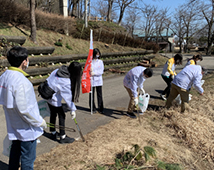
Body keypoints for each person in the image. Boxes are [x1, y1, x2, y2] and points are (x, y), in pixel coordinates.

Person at [0, 46, 47, 170]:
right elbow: (25, 110)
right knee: (27, 159)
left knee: (15, 154)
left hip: (14, 125)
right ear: (24, 61)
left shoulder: (4, 76)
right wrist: (39, 122)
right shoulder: (23, 82)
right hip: (27, 129)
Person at [44, 62, 82, 144]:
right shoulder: (65, 81)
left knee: (53, 113)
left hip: (47, 94)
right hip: (52, 97)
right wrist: (72, 110)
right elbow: (68, 97)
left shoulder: (59, 70)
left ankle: (53, 132)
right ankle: (62, 136)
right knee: (62, 115)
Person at [89, 48, 104, 114]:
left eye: (98, 53)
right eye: (96, 53)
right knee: (91, 95)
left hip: (98, 80)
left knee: (99, 94)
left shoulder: (100, 62)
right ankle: (92, 108)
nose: (98, 55)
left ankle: (100, 107)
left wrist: (95, 73)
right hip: (92, 80)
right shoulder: (90, 62)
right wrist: (90, 71)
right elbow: (87, 70)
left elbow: (101, 71)